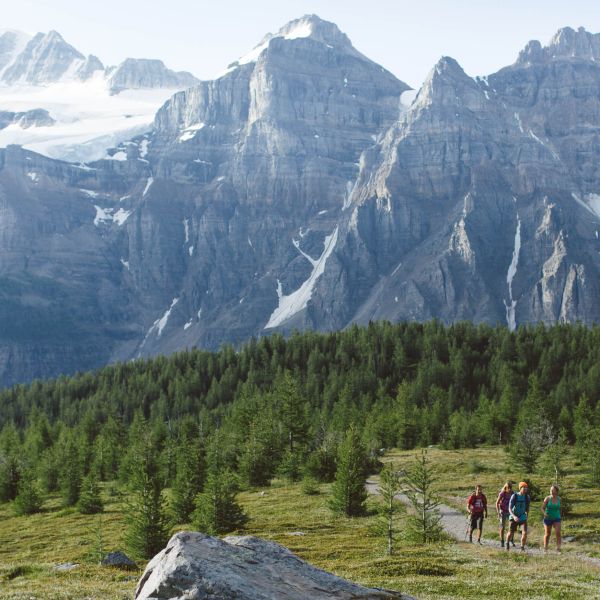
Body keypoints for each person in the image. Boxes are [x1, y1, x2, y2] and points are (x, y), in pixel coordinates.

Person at [507, 481, 530, 551]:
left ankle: (522, 547)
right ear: (520, 488)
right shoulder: (515, 496)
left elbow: (527, 508)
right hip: (513, 516)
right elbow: (509, 508)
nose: (525, 489)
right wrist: (514, 516)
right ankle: (507, 543)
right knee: (511, 532)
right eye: (524, 487)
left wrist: (527, 515)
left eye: (526, 488)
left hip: (522, 516)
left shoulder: (527, 497)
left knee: (524, 532)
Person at [541, 484, 562, 552]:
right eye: (551, 490)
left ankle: (558, 549)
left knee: (558, 532)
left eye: (553, 490)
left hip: (557, 518)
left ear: (556, 491)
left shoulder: (559, 499)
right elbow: (542, 508)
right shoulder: (547, 498)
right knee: (547, 534)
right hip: (548, 518)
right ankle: (545, 548)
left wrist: (560, 515)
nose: (551, 491)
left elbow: (560, 508)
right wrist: (544, 513)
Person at [496, 481, 513, 547]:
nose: (509, 489)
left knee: (511, 527)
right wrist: (498, 512)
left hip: (510, 511)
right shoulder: (502, 493)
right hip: (502, 511)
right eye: (508, 487)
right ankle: (502, 541)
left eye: (510, 487)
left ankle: (510, 540)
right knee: (502, 527)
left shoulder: (512, 493)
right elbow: (497, 503)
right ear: (505, 487)